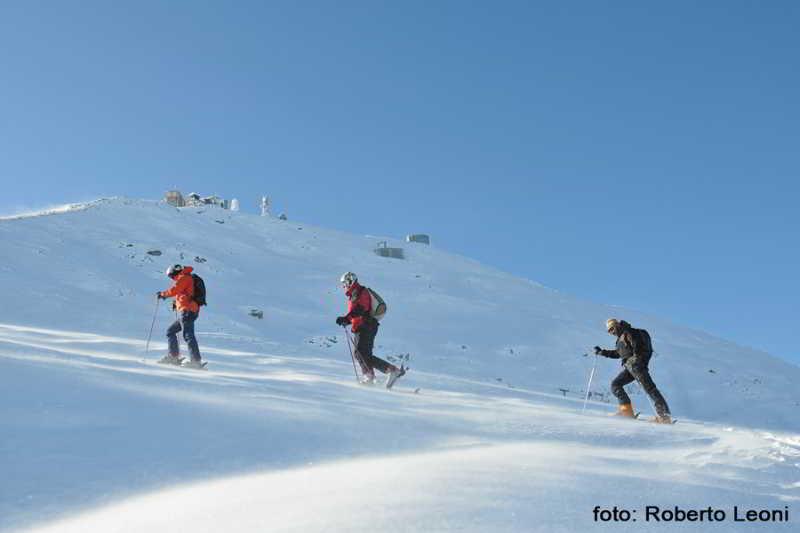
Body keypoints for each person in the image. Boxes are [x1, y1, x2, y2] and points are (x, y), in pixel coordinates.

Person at [594, 318, 672, 423]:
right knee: (615, 385)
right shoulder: (621, 339)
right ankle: (627, 412)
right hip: (630, 368)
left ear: (617, 325)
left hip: (637, 366)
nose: (611, 332)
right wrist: (601, 352)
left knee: (650, 389)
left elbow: (638, 348)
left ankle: (664, 416)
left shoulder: (630, 332)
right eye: (609, 331)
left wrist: (636, 361)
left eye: (612, 329)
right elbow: (618, 354)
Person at [336, 272, 405, 387]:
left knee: (360, 353)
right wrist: (346, 321)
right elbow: (357, 313)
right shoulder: (354, 294)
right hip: (363, 326)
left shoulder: (360, 291)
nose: (344, 286)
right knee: (363, 354)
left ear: (350, 281)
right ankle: (386, 372)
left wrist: (346, 317)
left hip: (366, 326)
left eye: (345, 283)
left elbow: (362, 309)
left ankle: (372, 375)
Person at [157, 264, 204, 368]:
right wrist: (176, 303)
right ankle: (174, 357)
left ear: (174, 272)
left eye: (171, 276)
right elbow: (184, 293)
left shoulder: (183, 277)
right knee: (170, 331)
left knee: (188, 335)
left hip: (188, 310)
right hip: (189, 310)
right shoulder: (186, 277)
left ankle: (196, 361)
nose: (172, 278)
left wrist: (163, 294)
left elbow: (175, 290)